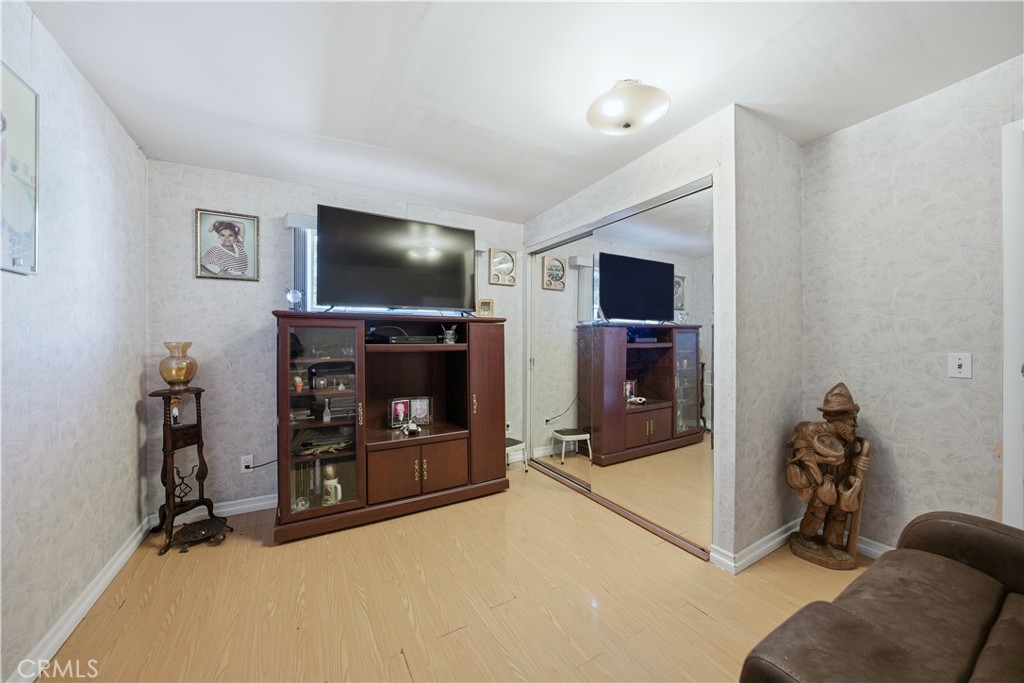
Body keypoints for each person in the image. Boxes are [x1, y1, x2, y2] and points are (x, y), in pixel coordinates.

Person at [785, 383, 871, 564]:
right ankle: (805, 537)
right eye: (850, 417)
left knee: (840, 512)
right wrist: (823, 464)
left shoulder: (849, 435)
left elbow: (850, 454)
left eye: (853, 417)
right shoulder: (813, 431)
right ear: (836, 416)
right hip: (822, 478)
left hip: (842, 478)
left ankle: (833, 545)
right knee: (819, 509)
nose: (854, 422)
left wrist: (857, 461)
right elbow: (802, 455)